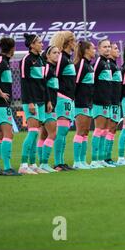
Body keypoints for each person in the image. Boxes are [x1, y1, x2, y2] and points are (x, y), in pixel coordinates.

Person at [0, 37, 21, 176]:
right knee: (8, 134)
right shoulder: (1, 61)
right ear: (12, 49)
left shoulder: (4, 62)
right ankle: (7, 167)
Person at [19, 33, 48, 174]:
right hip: (32, 101)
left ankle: (32, 164)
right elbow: (24, 83)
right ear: (32, 45)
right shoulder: (26, 60)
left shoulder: (41, 60)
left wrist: (48, 100)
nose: (42, 44)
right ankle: (23, 165)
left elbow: (44, 82)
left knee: (36, 133)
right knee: (32, 132)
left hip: (42, 101)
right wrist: (30, 102)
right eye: (39, 42)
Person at [50, 31, 76, 171]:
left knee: (64, 131)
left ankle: (61, 161)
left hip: (68, 98)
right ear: (69, 42)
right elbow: (55, 76)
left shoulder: (67, 58)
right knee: (62, 130)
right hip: (61, 97)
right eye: (74, 41)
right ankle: (58, 163)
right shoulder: (61, 58)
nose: (75, 44)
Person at [72, 40, 96, 169]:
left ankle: (82, 160)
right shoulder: (81, 64)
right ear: (86, 50)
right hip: (81, 102)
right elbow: (75, 83)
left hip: (88, 102)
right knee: (80, 130)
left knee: (86, 131)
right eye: (93, 48)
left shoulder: (89, 65)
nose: (94, 50)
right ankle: (77, 161)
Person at [38, 45, 61, 173]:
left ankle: (42, 163)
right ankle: (44, 163)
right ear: (47, 55)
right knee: (53, 133)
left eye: (58, 52)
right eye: (54, 52)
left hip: (50, 105)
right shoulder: (47, 67)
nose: (57, 54)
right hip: (48, 106)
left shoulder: (52, 68)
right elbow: (42, 85)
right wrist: (48, 101)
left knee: (44, 135)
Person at [91, 39, 114, 168]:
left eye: (109, 46)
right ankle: (95, 160)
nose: (107, 49)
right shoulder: (99, 63)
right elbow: (92, 82)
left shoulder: (108, 63)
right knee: (99, 129)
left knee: (104, 130)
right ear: (99, 49)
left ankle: (101, 159)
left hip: (107, 102)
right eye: (104, 47)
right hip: (99, 101)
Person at [104, 42, 123, 165]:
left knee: (112, 129)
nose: (117, 51)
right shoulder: (108, 65)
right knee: (108, 129)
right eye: (115, 48)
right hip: (109, 102)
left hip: (116, 102)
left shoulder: (114, 65)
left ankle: (108, 157)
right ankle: (104, 157)